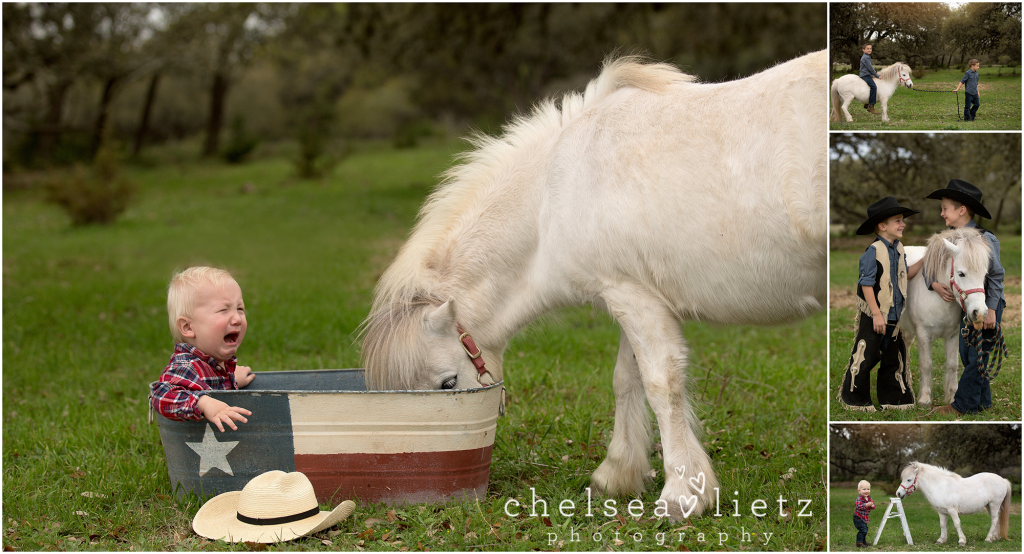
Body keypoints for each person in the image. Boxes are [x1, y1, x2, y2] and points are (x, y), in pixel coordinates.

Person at [926, 180, 1005, 416]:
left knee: (976, 355)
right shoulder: (950, 239)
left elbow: (996, 277)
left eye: (945, 208)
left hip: (986, 304)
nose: (941, 214)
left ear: (962, 210)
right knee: (967, 352)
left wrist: (991, 310)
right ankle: (983, 401)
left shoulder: (985, 239)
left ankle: (962, 405)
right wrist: (934, 284)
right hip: (968, 306)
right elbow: (927, 266)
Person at [840, 197, 923, 411]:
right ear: (882, 226)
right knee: (866, 354)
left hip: (895, 315)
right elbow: (866, 285)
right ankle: (855, 399)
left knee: (893, 358)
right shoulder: (872, 252)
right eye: (898, 220)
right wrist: (876, 314)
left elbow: (906, 274)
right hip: (875, 314)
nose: (903, 224)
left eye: (902, 220)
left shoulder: (899, 249)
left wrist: (925, 260)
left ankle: (894, 399)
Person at [150, 267, 255, 431]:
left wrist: (230, 381)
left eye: (239, 309)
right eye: (223, 310)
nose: (237, 319)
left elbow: (207, 385)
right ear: (187, 327)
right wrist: (204, 403)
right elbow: (161, 395)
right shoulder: (185, 367)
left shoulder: (213, 364)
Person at [853, 480, 876, 548]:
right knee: (863, 529)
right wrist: (866, 504)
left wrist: (872, 506)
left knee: (865, 529)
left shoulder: (869, 498)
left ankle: (863, 541)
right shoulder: (859, 498)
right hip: (858, 517)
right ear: (859, 490)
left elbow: (873, 505)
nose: (866, 491)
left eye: (868, 489)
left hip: (864, 517)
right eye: (864, 489)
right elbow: (858, 506)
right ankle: (859, 543)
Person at [859, 44, 880, 114]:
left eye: (870, 48)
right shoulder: (866, 57)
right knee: (874, 87)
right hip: (866, 75)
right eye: (867, 48)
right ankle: (870, 106)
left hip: (866, 75)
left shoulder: (866, 56)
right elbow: (870, 68)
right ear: (863, 50)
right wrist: (876, 75)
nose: (869, 50)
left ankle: (867, 103)